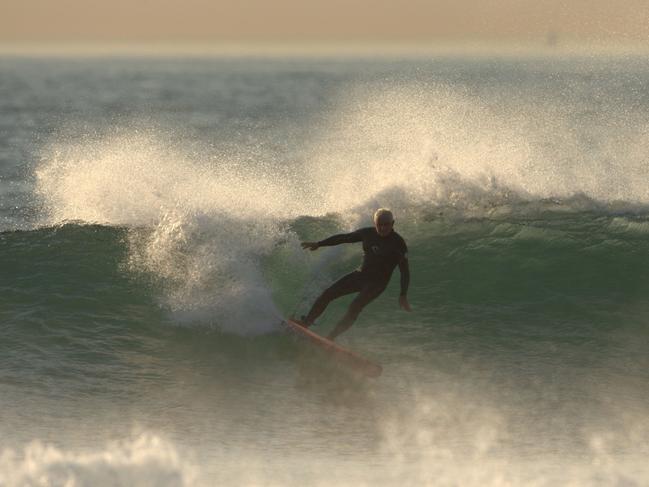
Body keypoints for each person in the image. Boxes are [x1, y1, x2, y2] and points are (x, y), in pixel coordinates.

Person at [300, 208, 411, 340]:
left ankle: (331, 337)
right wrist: (319, 244)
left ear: (393, 223)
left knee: (354, 307)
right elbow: (344, 238)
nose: (382, 228)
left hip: (377, 284)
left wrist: (403, 294)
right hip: (360, 275)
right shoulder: (367, 233)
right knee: (328, 293)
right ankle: (306, 322)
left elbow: (404, 271)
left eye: (386, 224)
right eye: (379, 225)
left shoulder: (398, 243)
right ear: (374, 223)